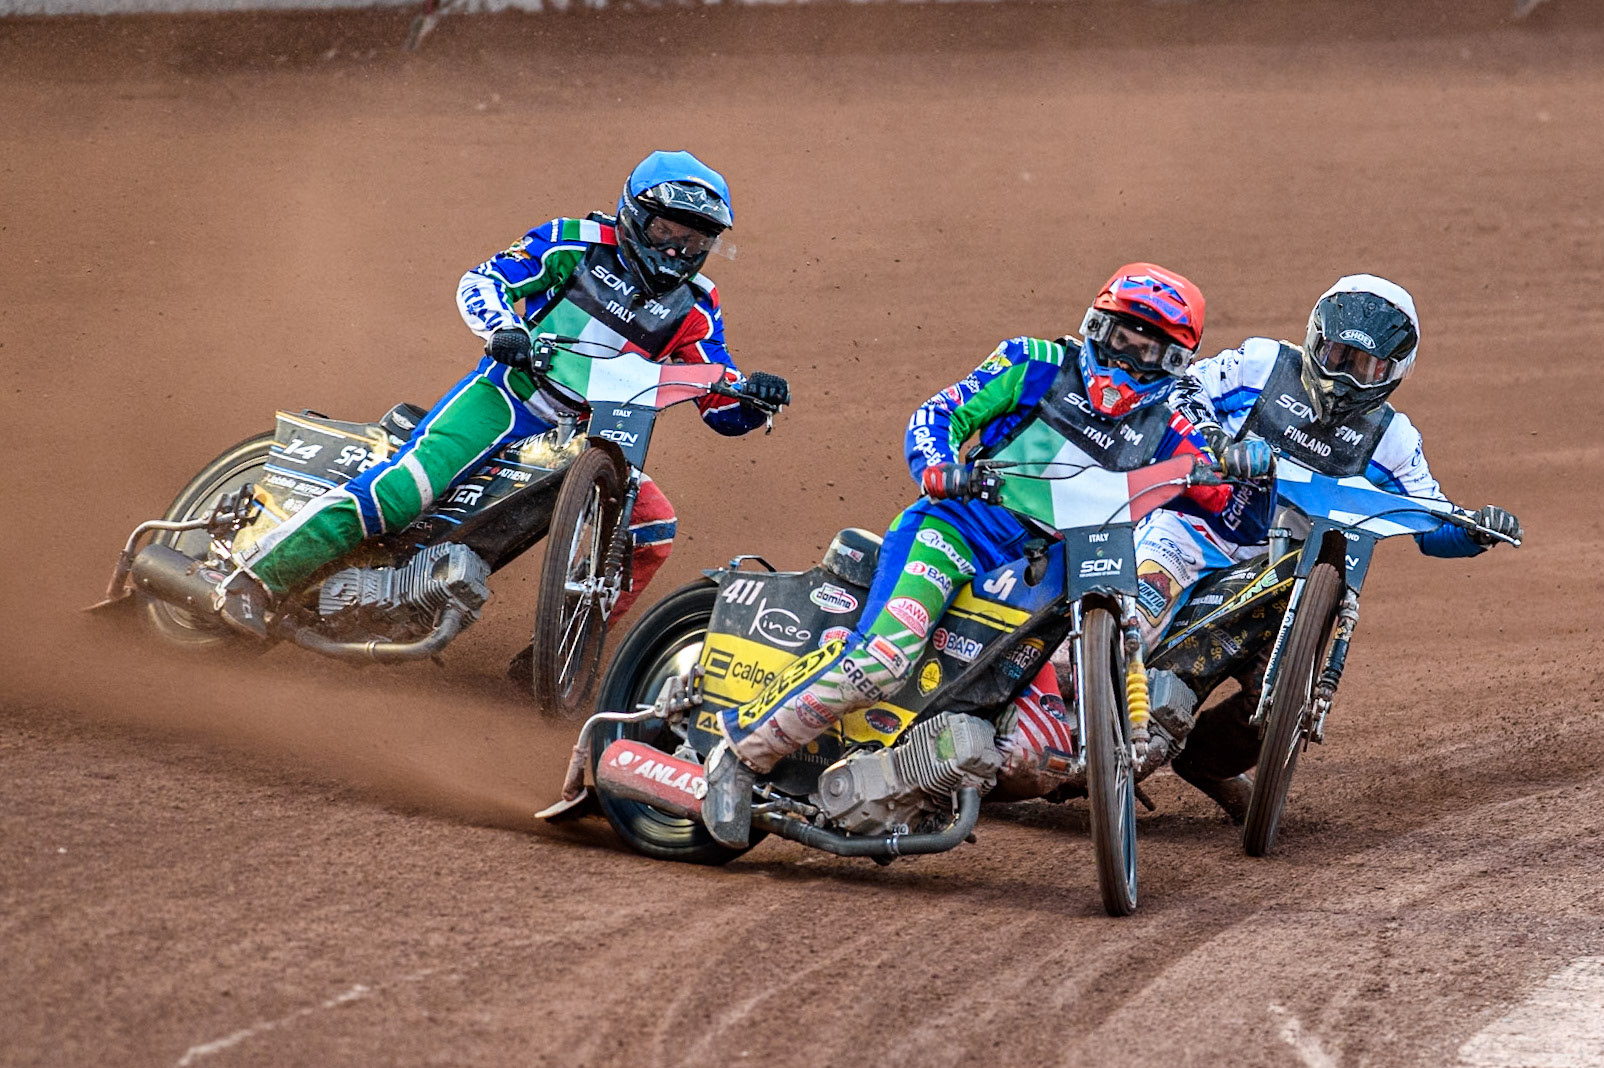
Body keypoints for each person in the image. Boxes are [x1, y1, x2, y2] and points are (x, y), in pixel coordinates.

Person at [700, 263, 1267, 847]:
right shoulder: (1034, 362)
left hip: (1065, 565)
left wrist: (1248, 469)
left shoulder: (1172, 421)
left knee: (1095, 671)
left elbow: (1220, 496)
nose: (1127, 360)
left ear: (1173, 362)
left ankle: (936, 776)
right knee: (887, 655)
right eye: (1122, 338)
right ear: (1098, 326)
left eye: (1149, 351)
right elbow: (939, 413)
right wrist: (938, 467)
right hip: (960, 530)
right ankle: (739, 756)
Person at [215, 150, 791, 639]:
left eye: (694, 238)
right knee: (402, 492)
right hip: (509, 396)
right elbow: (483, 279)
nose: (676, 249)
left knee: (653, 529)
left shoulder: (698, 304)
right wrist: (502, 329)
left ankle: (558, 660)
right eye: (667, 230)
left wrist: (754, 397)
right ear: (637, 215)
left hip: (595, 435)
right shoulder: (575, 241)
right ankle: (255, 577)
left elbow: (720, 400)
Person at [1131, 274, 1523, 821]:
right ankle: (1064, 722)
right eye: (1335, 354)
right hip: (1187, 534)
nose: (1343, 376)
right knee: (1135, 625)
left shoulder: (1394, 440)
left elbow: (1431, 524)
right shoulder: (1261, 365)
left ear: (1393, 373)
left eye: (1364, 366)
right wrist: (1215, 441)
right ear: (1314, 338)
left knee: (1282, 697)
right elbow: (1178, 391)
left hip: (1278, 573)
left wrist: (1475, 531)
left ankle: (1208, 764)